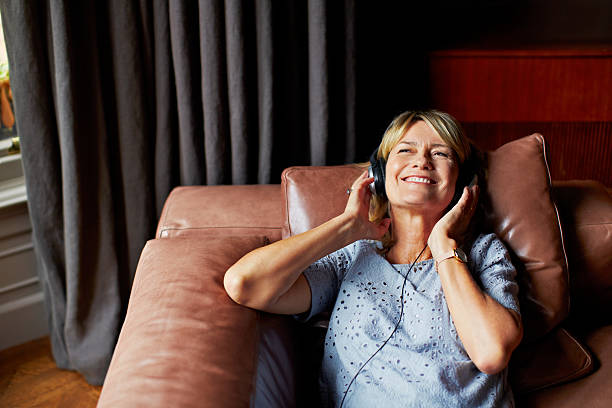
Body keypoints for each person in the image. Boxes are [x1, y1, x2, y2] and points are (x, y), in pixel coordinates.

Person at [224, 110, 523, 407]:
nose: (422, 161)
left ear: (462, 182)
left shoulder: (484, 253)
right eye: (405, 150)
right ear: (378, 173)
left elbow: (491, 353)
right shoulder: (352, 257)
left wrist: (443, 246)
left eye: (441, 153)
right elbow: (244, 283)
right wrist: (346, 226)